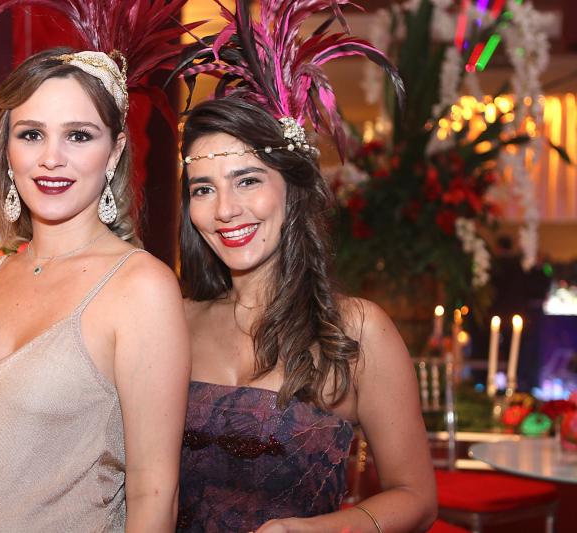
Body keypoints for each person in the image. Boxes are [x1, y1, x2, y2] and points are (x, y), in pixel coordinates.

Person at [0, 1, 195, 531]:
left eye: (79, 135)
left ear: (114, 153)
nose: (51, 158)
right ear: (7, 149)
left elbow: (154, 492)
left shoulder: (140, 289)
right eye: (31, 134)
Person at [174, 2, 437, 532]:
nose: (225, 210)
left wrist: (316, 530)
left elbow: (416, 498)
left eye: (248, 180)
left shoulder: (357, 330)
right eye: (204, 189)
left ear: (292, 190)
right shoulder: (171, 320)